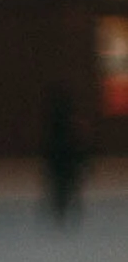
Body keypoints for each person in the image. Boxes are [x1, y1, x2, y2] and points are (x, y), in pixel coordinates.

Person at [40, 85, 87, 222]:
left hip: (57, 158)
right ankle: (68, 209)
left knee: (59, 187)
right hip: (67, 158)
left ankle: (60, 211)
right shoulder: (72, 119)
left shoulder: (52, 121)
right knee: (69, 186)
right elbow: (78, 141)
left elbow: (48, 143)